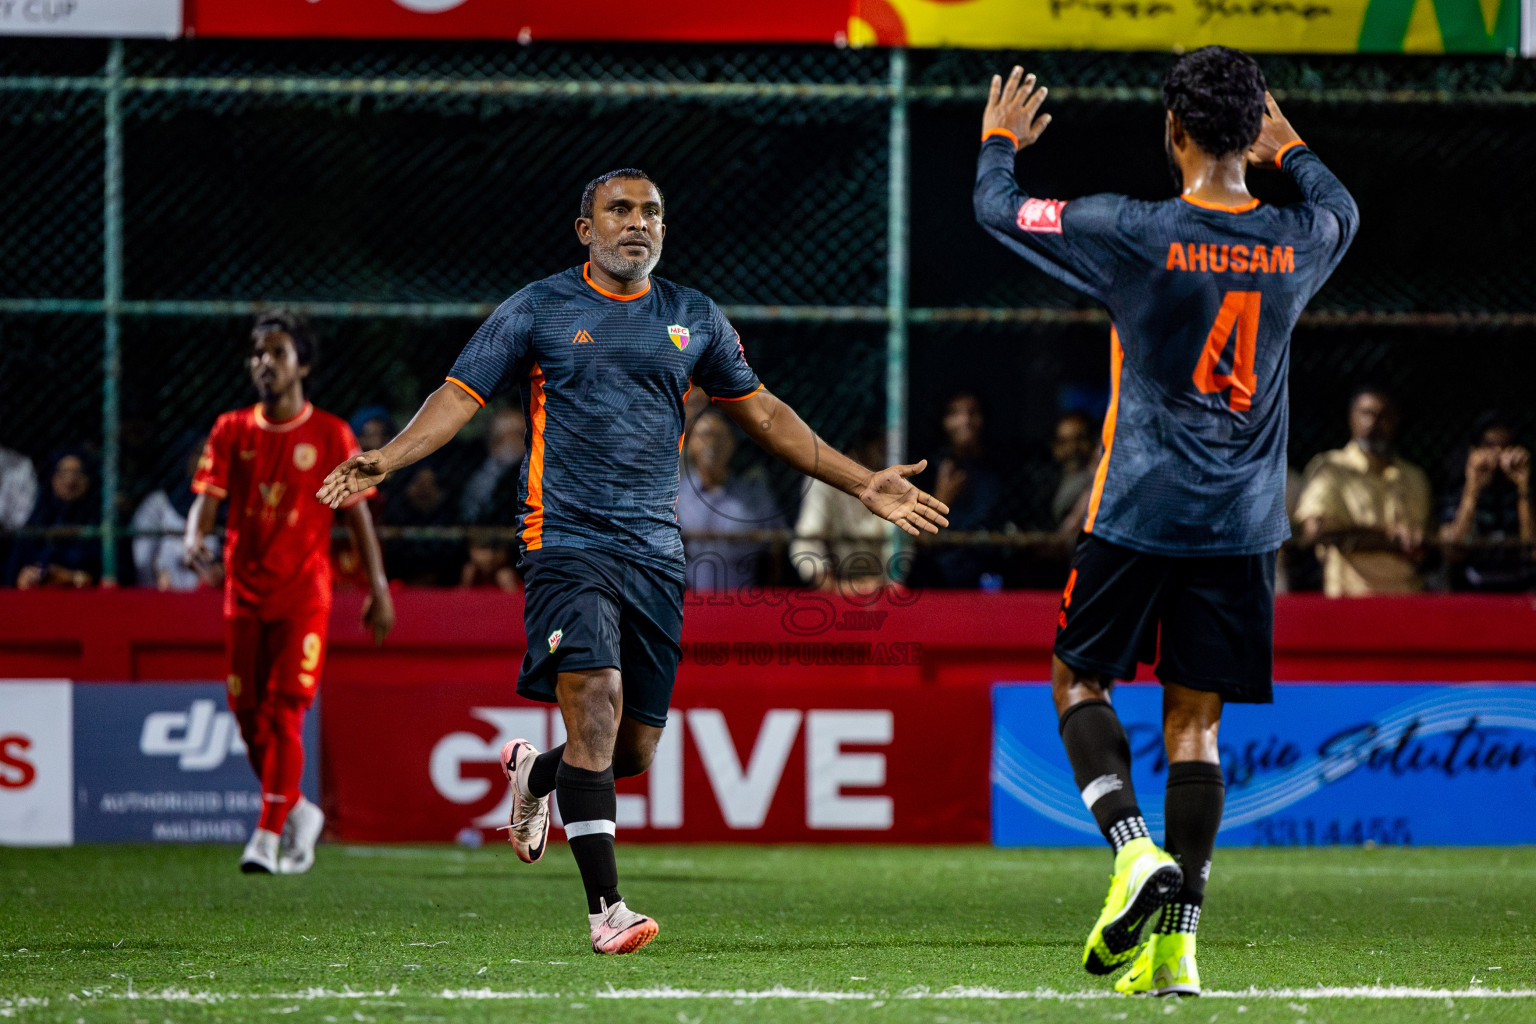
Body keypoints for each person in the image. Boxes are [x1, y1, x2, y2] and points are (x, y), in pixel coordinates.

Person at [317, 168, 948, 955]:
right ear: (585, 229)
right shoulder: (540, 308)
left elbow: (765, 414)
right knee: (599, 702)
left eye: (651, 211)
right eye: (619, 210)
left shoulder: (693, 317)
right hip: (564, 541)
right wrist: (390, 457)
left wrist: (864, 484)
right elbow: (458, 393)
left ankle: (536, 776)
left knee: (632, 752)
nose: (636, 223)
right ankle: (607, 910)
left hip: (654, 552)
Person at [975, 49, 1356, 995]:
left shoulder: (1133, 230)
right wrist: (1295, 146)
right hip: (1243, 523)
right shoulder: (1300, 239)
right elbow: (1343, 206)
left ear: (1175, 132)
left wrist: (998, 144)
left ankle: (1135, 851)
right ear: (1251, 132)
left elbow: (999, 208)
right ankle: (1179, 945)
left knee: (1076, 680)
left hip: (1138, 509)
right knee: (1197, 731)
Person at [185, 310, 394, 875]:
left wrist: (378, 587)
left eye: (276, 352)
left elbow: (357, 520)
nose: (264, 362)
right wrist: (192, 538)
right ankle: (298, 810)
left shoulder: (331, 433)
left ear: (301, 362)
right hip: (243, 595)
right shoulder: (231, 429)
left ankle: (267, 834)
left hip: (304, 596)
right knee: (247, 715)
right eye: (258, 352)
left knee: (284, 713)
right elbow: (207, 499)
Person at [1294, 387, 1432, 597]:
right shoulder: (1330, 468)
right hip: (1350, 599)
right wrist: (1389, 536)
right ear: (1351, 418)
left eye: (1384, 415)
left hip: (1407, 599)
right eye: (1367, 413)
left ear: (1396, 421)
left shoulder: (1415, 477)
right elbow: (1315, 530)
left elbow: (1429, 539)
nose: (1375, 422)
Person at [676, 407, 782, 591]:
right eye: (705, 435)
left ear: (732, 443)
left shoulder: (753, 494)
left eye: (720, 436)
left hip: (745, 604)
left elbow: (778, 541)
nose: (712, 444)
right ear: (690, 444)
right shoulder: (674, 497)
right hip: (688, 604)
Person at [910, 392, 1008, 589]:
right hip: (940, 572)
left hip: (987, 569)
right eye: (955, 413)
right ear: (943, 422)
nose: (965, 420)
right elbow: (917, 540)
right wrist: (942, 498)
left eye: (972, 412)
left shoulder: (998, 469)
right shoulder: (928, 468)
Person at [1437, 411, 1533, 591]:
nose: (1497, 454)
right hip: (1471, 595)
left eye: (1505, 447)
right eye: (1489, 446)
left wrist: (1523, 487)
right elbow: (1453, 551)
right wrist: (1473, 486)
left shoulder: (1524, 496)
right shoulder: (1455, 494)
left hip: (1520, 594)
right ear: (1474, 451)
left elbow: (1532, 551)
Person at [790, 430, 892, 594]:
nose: (887, 451)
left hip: (881, 587)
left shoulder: (895, 480)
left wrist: (883, 584)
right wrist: (833, 586)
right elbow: (806, 542)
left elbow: (901, 545)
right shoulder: (825, 477)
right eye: (880, 445)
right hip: (834, 587)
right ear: (861, 444)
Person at [132, 434, 217, 592]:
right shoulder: (158, 503)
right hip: (164, 593)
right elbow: (142, 559)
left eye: (213, 455)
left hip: (207, 596)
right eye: (200, 454)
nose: (207, 461)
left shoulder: (224, 504)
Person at [6, 448, 100, 589]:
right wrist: (22, 578)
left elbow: (119, 577)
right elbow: (11, 576)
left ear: (88, 479)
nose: (70, 481)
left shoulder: (100, 523)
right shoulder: (36, 523)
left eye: (77, 473)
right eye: (62, 474)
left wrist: (72, 577)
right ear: (52, 479)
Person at [1050, 411, 1099, 534]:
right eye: (1064, 441)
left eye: (1080, 439)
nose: (1073, 448)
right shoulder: (1045, 483)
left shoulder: (1100, 483)